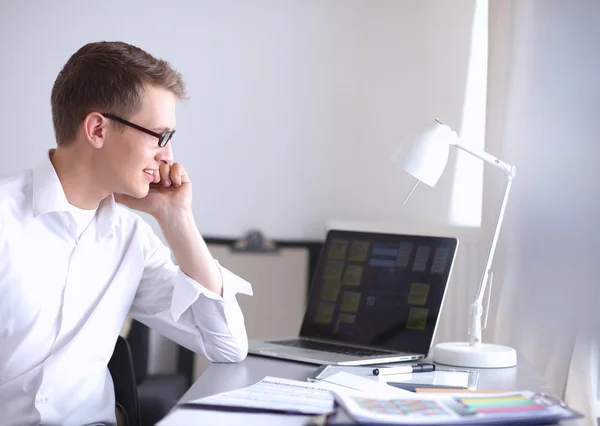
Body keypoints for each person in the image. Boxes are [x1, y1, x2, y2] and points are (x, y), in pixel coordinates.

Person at [0, 41, 253, 426]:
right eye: (159, 136)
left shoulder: (132, 238)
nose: (167, 156)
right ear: (97, 128)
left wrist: (176, 218)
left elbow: (227, 346)